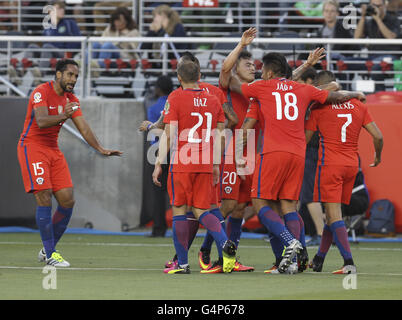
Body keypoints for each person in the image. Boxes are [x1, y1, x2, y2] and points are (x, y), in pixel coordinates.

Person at [229, 51, 367, 274]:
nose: (259, 72)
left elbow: (231, 82)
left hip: (273, 151)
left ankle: (290, 243)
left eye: (262, 70)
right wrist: (355, 92)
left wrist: (239, 47)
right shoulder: (302, 88)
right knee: (287, 206)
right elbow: (333, 95)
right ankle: (297, 258)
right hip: (298, 152)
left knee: (259, 204)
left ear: (270, 72)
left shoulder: (262, 88)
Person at [16, 59, 122, 267]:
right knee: (44, 194)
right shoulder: (41, 92)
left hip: (53, 150)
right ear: (58, 75)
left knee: (67, 200)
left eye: (76, 75)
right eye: (70, 75)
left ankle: (48, 248)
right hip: (32, 147)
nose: (74, 79)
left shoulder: (71, 98)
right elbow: (42, 120)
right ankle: (50, 253)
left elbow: (83, 128)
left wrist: (100, 148)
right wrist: (65, 114)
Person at [139, 52, 238, 273]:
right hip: (205, 161)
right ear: (200, 75)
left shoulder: (175, 97)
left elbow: (169, 134)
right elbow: (221, 134)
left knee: (179, 211)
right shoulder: (214, 99)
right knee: (203, 210)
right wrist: (214, 164)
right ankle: (224, 243)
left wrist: (158, 164)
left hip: (183, 161)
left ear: (179, 77)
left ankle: (182, 263)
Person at [305, 70, 383, 274]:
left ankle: (349, 263)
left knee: (333, 215)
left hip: (330, 165)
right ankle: (319, 259)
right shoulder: (358, 104)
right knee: (334, 216)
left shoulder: (319, 106)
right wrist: (378, 156)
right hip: (351, 165)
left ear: (322, 86)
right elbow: (379, 136)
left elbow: (305, 139)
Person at [140, 75, 173, 237]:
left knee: (158, 193)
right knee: (178, 191)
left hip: (157, 151)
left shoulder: (153, 107)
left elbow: (153, 132)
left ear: (158, 89)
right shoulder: (175, 102)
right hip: (176, 150)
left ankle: (159, 229)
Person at [22, 0, 81, 85]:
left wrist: (69, 51)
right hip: (48, 52)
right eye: (58, 9)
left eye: (62, 9)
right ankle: (20, 71)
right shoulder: (47, 26)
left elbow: (78, 42)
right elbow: (44, 41)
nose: (62, 11)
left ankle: (40, 73)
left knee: (47, 47)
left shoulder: (70, 23)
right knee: (32, 47)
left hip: (62, 54)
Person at [354, 0, 401, 91]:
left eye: (379, 6)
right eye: (374, 6)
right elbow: (357, 37)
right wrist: (363, 16)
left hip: (390, 58)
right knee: (344, 62)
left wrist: (378, 19)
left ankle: (380, 99)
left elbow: (391, 37)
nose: (376, 8)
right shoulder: (369, 22)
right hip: (372, 58)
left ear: (385, 6)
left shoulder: (394, 19)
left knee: (375, 67)